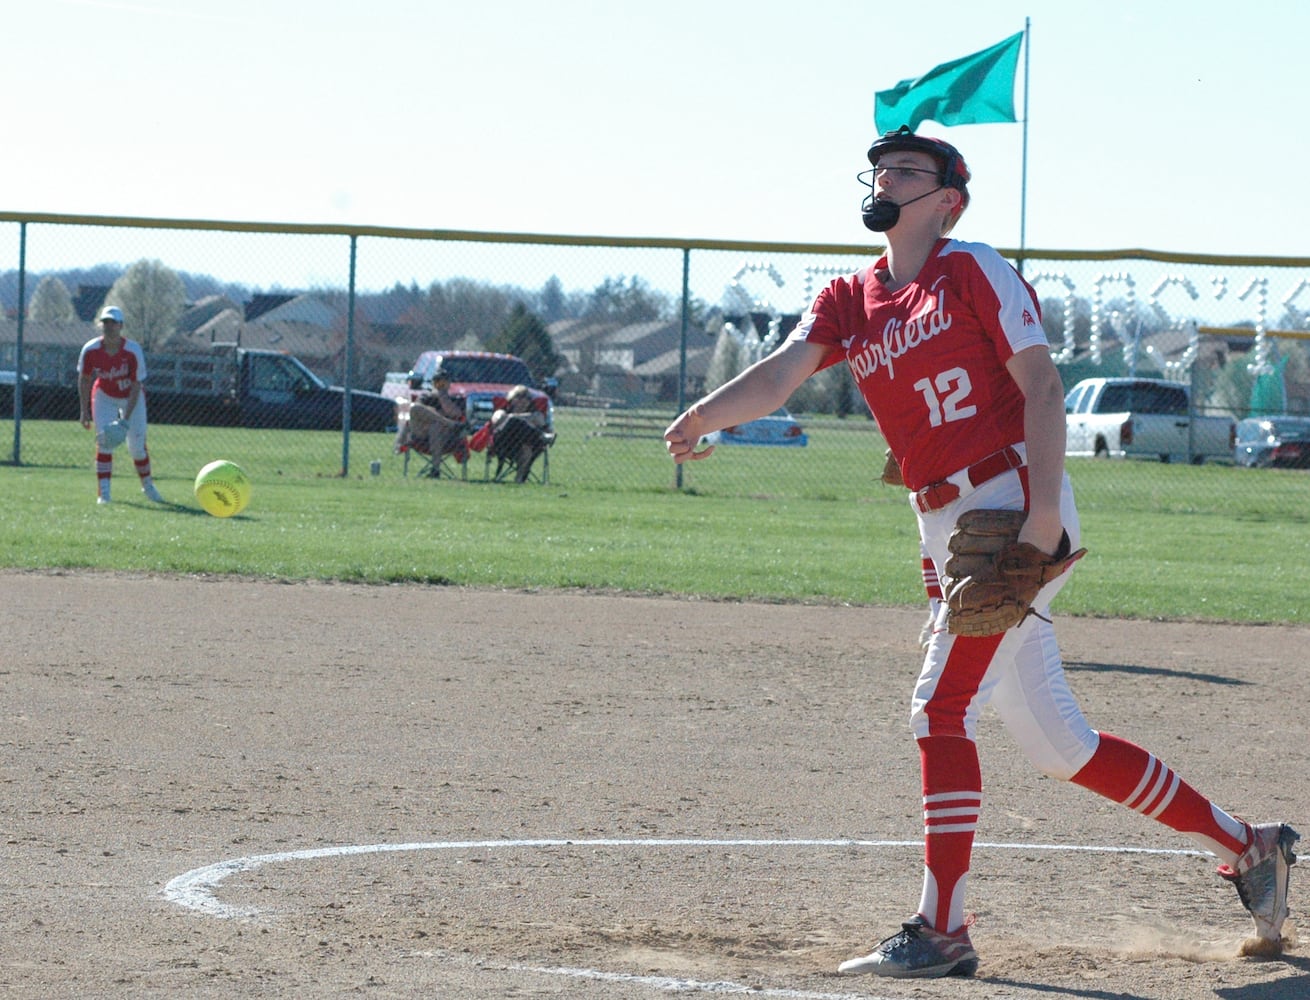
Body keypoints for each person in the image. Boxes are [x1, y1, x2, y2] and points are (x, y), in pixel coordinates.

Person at [664, 126, 1297, 980]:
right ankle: (1251, 846)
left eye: (905, 170)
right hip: (943, 525)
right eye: (879, 166)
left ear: (947, 199)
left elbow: (1042, 386)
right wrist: (700, 417)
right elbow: (779, 375)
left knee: (939, 711)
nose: (884, 177)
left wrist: (1040, 516)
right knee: (1057, 744)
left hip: (1007, 500)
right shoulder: (851, 297)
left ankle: (942, 931)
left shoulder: (972, 268)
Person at [78, 305, 164, 505]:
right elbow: (84, 380)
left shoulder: (132, 350)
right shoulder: (91, 350)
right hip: (104, 395)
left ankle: (148, 486)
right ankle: (104, 494)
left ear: (121, 326)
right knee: (105, 441)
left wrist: (125, 420)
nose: (109, 327)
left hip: (130, 397)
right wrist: (84, 411)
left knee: (136, 447)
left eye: (113, 323)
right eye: (106, 322)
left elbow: (136, 385)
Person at [399, 366, 466, 477]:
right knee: (414, 408)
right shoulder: (425, 397)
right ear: (433, 384)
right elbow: (417, 412)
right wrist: (439, 414)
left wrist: (442, 397)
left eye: (443, 382)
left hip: (444, 436)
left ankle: (435, 470)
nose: (440, 385)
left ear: (449, 384)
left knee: (435, 427)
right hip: (420, 433)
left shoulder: (456, 399)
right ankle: (448, 422)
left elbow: (456, 414)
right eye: (437, 382)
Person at [489, 384, 550, 483]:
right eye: (518, 397)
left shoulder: (536, 414)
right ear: (511, 399)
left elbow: (542, 421)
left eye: (526, 398)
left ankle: (519, 478)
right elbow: (496, 420)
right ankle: (540, 435)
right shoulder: (502, 411)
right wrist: (517, 418)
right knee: (515, 422)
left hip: (527, 444)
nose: (522, 401)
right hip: (505, 443)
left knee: (526, 448)